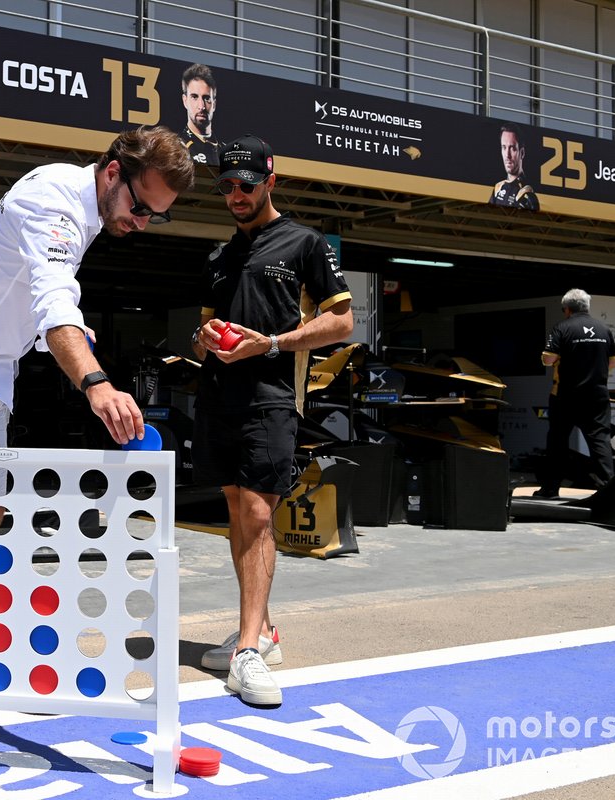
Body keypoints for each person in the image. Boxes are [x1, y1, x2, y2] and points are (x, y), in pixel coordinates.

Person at [0, 126, 195, 458]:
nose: (142, 223)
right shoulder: (54, 210)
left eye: (156, 216)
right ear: (114, 173)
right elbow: (54, 302)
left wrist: (69, 328)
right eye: (141, 208)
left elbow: (32, 283)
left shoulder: (69, 185)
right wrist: (98, 387)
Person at [190, 135, 353, 706]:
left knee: (259, 513)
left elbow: (343, 324)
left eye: (245, 185)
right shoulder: (217, 256)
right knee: (237, 512)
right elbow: (202, 333)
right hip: (218, 399)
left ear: (270, 181)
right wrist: (203, 339)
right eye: (226, 186)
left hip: (272, 397)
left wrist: (274, 343)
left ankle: (250, 652)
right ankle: (257, 632)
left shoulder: (305, 243)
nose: (235, 195)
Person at [537, 288, 615, 498]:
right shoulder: (603, 329)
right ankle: (610, 492)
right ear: (587, 307)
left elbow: (548, 359)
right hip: (597, 395)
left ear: (566, 309)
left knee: (557, 442)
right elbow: (613, 362)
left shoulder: (562, 327)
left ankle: (550, 489)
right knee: (600, 441)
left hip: (566, 396)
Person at [490, 123, 540, 210]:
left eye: (512, 148)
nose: (507, 155)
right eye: (504, 147)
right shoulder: (498, 187)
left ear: (522, 153)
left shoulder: (526, 192)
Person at [180, 63, 219, 166]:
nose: (201, 106)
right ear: (185, 101)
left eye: (206, 98)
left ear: (214, 104)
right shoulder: (177, 147)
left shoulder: (226, 151)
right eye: (194, 97)